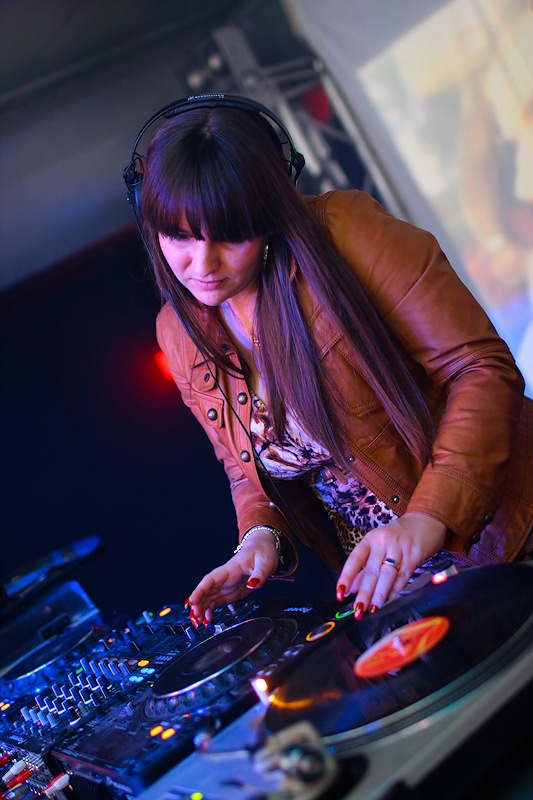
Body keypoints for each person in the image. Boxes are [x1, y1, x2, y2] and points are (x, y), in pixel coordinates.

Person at [127, 94, 533, 628]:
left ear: (269, 212)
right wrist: (258, 537)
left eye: (230, 235)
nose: (202, 264)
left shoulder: (348, 231)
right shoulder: (177, 333)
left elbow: (480, 368)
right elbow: (243, 466)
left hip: (510, 525)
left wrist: (429, 515)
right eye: (179, 236)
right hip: (399, 584)